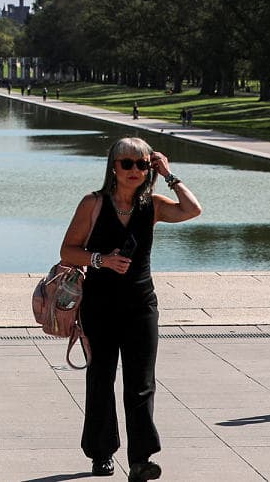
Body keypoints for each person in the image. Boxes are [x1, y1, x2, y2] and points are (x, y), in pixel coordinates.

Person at [59, 137, 202, 480]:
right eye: (127, 163)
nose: (134, 170)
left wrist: (168, 175)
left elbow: (192, 210)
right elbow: (67, 251)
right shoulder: (93, 203)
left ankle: (141, 459)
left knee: (141, 383)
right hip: (99, 306)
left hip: (141, 305)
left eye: (142, 164)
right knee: (101, 378)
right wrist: (102, 260)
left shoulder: (152, 205)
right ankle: (101, 453)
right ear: (113, 167)